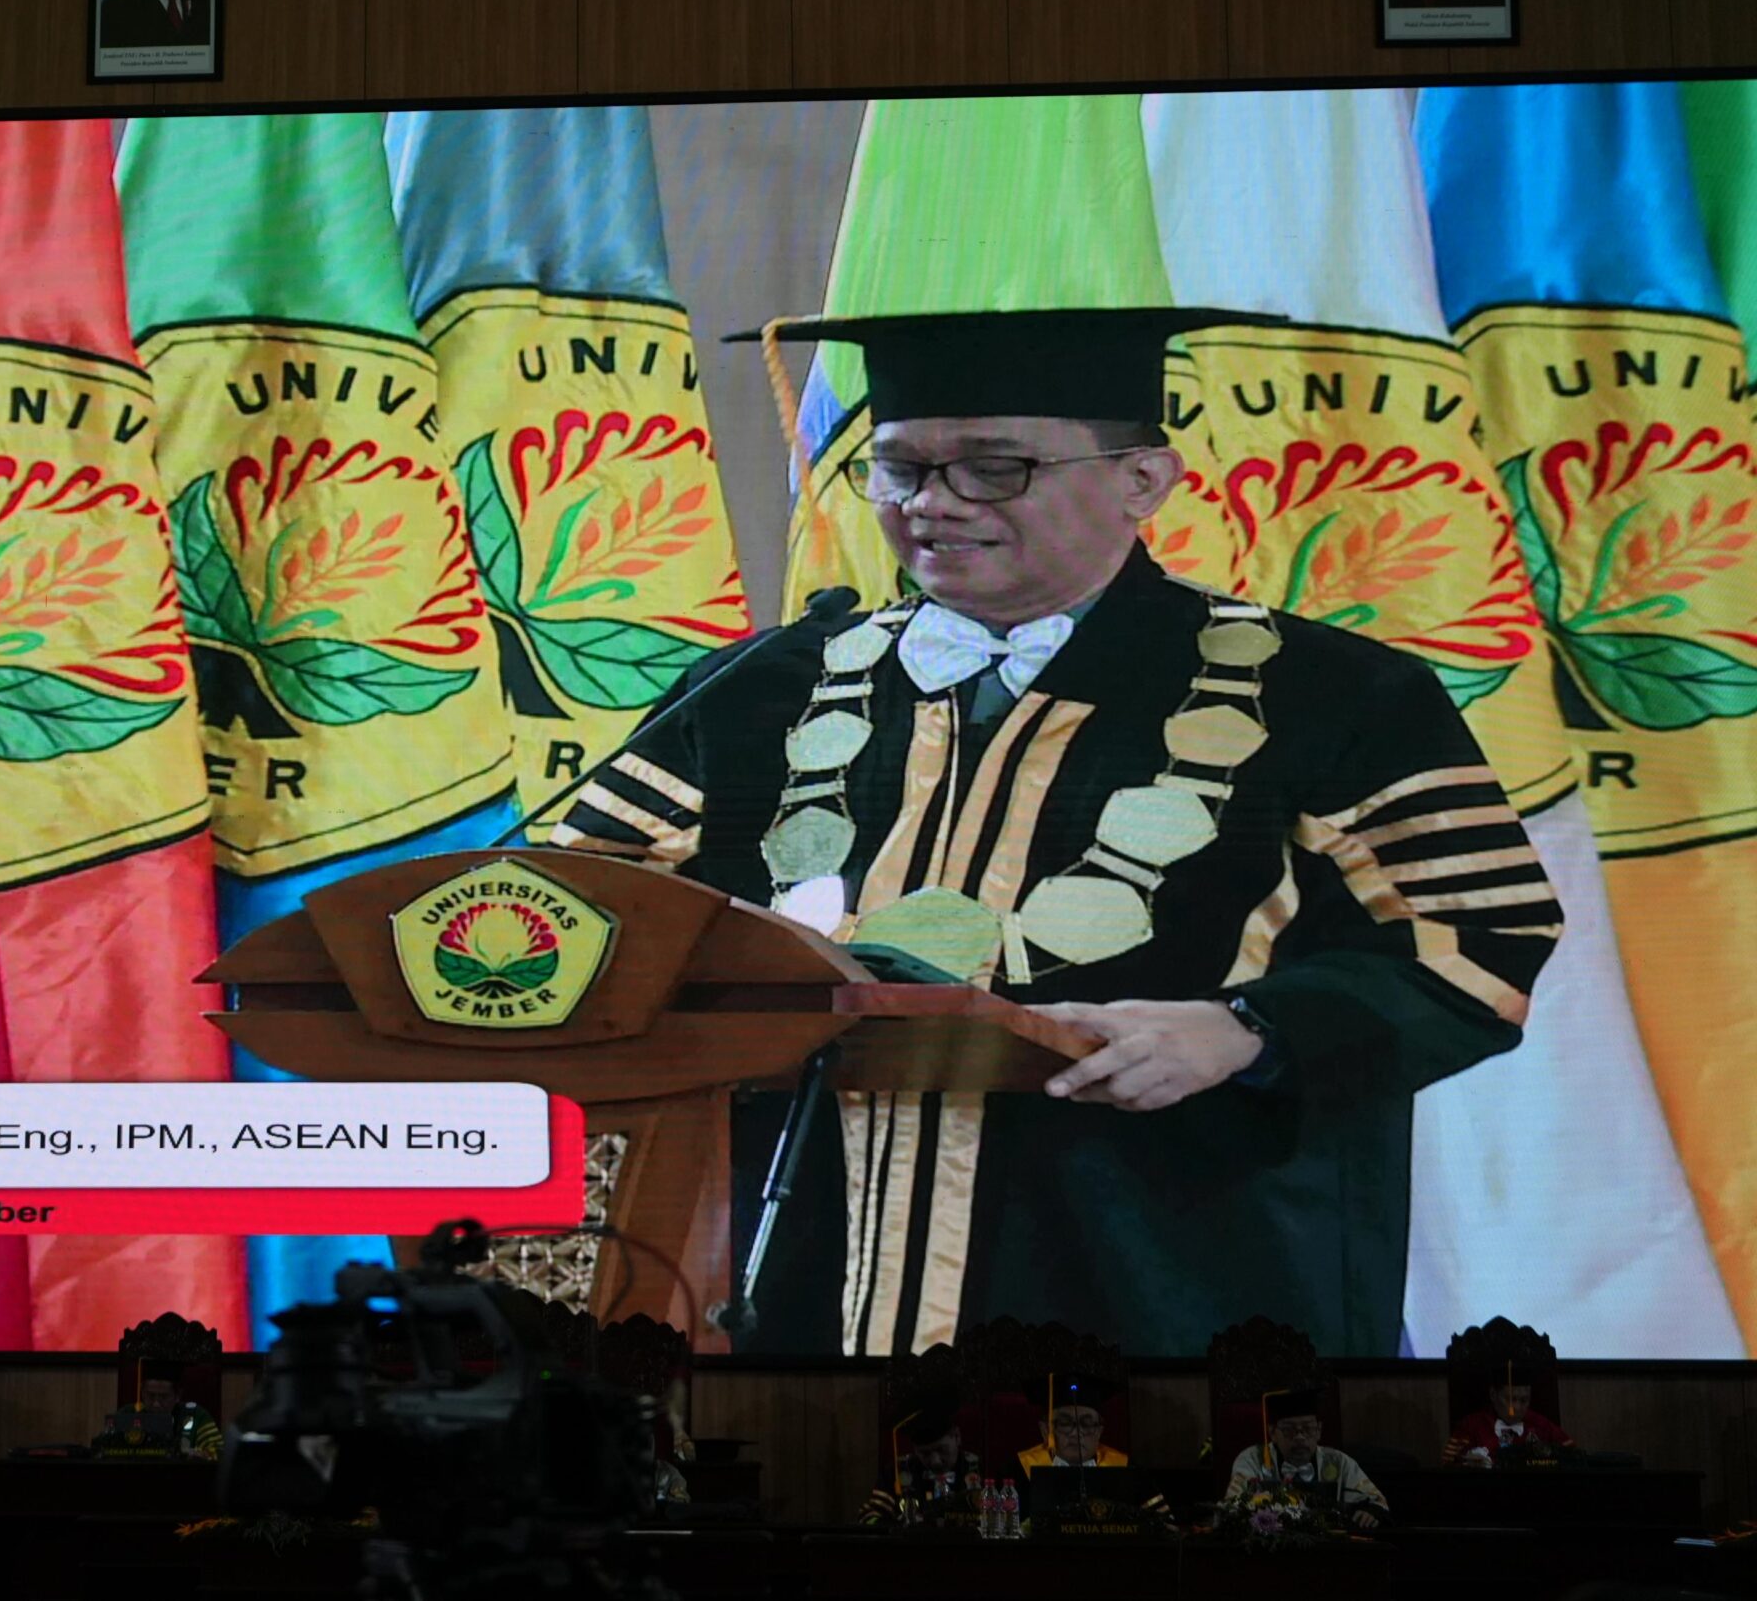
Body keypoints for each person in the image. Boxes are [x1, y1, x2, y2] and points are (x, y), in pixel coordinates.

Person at [562, 307, 1559, 1357]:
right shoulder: (759, 687)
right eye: (899, 468)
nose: (932, 503)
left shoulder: (1331, 693)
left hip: (1162, 1263)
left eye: (994, 468)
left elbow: (1480, 941)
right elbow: (592, 910)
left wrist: (1247, 1030)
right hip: (785, 1267)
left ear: (1144, 480)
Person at [1227, 1386, 1387, 1527]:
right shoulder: (1253, 1459)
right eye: (1289, 1430)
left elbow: (1376, 1502)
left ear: (1319, 1431)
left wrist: (1370, 1513)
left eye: (1308, 1428)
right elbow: (1233, 1506)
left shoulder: (1339, 1462)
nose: (1300, 1437)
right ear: (1273, 1432)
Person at [860, 1389, 980, 1525]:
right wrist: (895, 1526)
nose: (935, 1462)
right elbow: (869, 1517)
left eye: (942, 1450)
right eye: (925, 1453)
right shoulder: (896, 1474)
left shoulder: (981, 1471)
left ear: (957, 1437)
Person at [1444, 1362, 1576, 1466]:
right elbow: (1448, 1464)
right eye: (1510, 1399)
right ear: (1493, 1395)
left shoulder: (1542, 1426)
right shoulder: (1471, 1426)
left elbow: (1573, 1459)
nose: (1517, 1407)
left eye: (1524, 1400)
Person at [1016, 1374, 1129, 1474]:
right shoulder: (1019, 1473)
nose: (1076, 1433)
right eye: (1065, 1423)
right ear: (1045, 1430)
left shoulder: (1124, 1470)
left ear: (1099, 1432)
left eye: (1086, 1424)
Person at [133, 1357, 223, 1460]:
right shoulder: (130, 1414)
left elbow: (219, 1454)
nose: (156, 1404)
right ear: (142, 1393)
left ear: (178, 1396)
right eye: (150, 1396)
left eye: (163, 1397)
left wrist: (195, 1455)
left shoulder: (196, 1416)